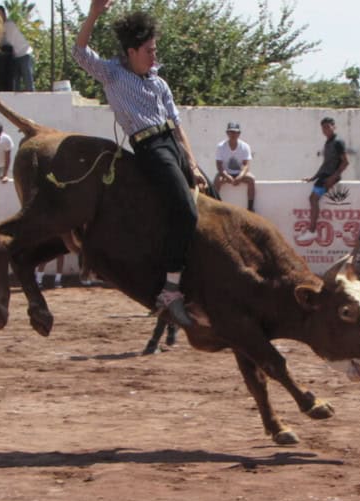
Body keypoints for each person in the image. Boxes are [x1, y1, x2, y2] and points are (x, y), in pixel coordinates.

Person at [73, 0, 208, 328]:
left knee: (210, 202)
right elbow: (79, 52)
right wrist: (93, 14)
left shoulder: (159, 83)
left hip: (171, 147)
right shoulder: (113, 74)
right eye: (149, 50)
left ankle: (203, 284)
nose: (154, 55)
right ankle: (170, 289)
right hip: (149, 148)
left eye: (154, 49)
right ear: (131, 51)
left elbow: (176, 125)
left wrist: (192, 162)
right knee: (186, 212)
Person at [298, 116, 349, 239]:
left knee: (313, 199)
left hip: (330, 177)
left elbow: (345, 162)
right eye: (323, 128)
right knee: (312, 199)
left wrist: (333, 178)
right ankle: (312, 230)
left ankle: (312, 231)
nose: (325, 129)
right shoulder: (328, 142)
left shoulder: (338, 142)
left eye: (328, 127)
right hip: (324, 175)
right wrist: (313, 177)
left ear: (334, 126)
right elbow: (325, 163)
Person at [214, 122, 255, 211]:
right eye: (231, 132)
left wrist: (240, 176)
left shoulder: (245, 146)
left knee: (251, 180)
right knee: (217, 181)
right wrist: (226, 176)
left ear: (239, 134)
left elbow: (246, 165)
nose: (233, 134)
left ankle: (250, 207)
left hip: (239, 173)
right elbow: (219, 165)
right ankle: (215, 205)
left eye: (235, 132)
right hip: (225, 173)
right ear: (227, 133)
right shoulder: (220, 146)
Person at [0, 5, 35, 91]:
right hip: (15, 57)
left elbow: (6, 42)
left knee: (28, 83)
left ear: (4, 15)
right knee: (15, 85)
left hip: (24, 54)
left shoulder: (9, 24)